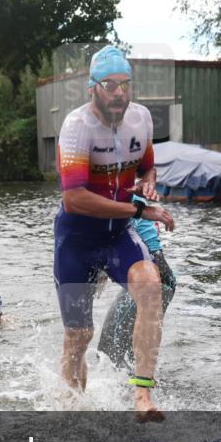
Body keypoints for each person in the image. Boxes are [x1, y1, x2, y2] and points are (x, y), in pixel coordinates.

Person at [54, 45, 175, 421]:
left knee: (152, 287)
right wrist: (141, 208)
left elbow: (148, 168)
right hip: (76, 241)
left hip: (118, 236)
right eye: (111, 85)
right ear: (93, 88)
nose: (120, 93)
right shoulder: (76, 128)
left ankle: (143, 398)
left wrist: (148, 184)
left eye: (126, 84)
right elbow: (75, 199)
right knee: (79, 337)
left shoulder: (141, 119)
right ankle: (74, 411)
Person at [97, 194, 177, 368]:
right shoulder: (121, 197)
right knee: (137, 354)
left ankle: (134, 393)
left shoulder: (119, 201)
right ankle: (140, 392)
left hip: (154, 278)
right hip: (160, 278)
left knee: (107, 354)